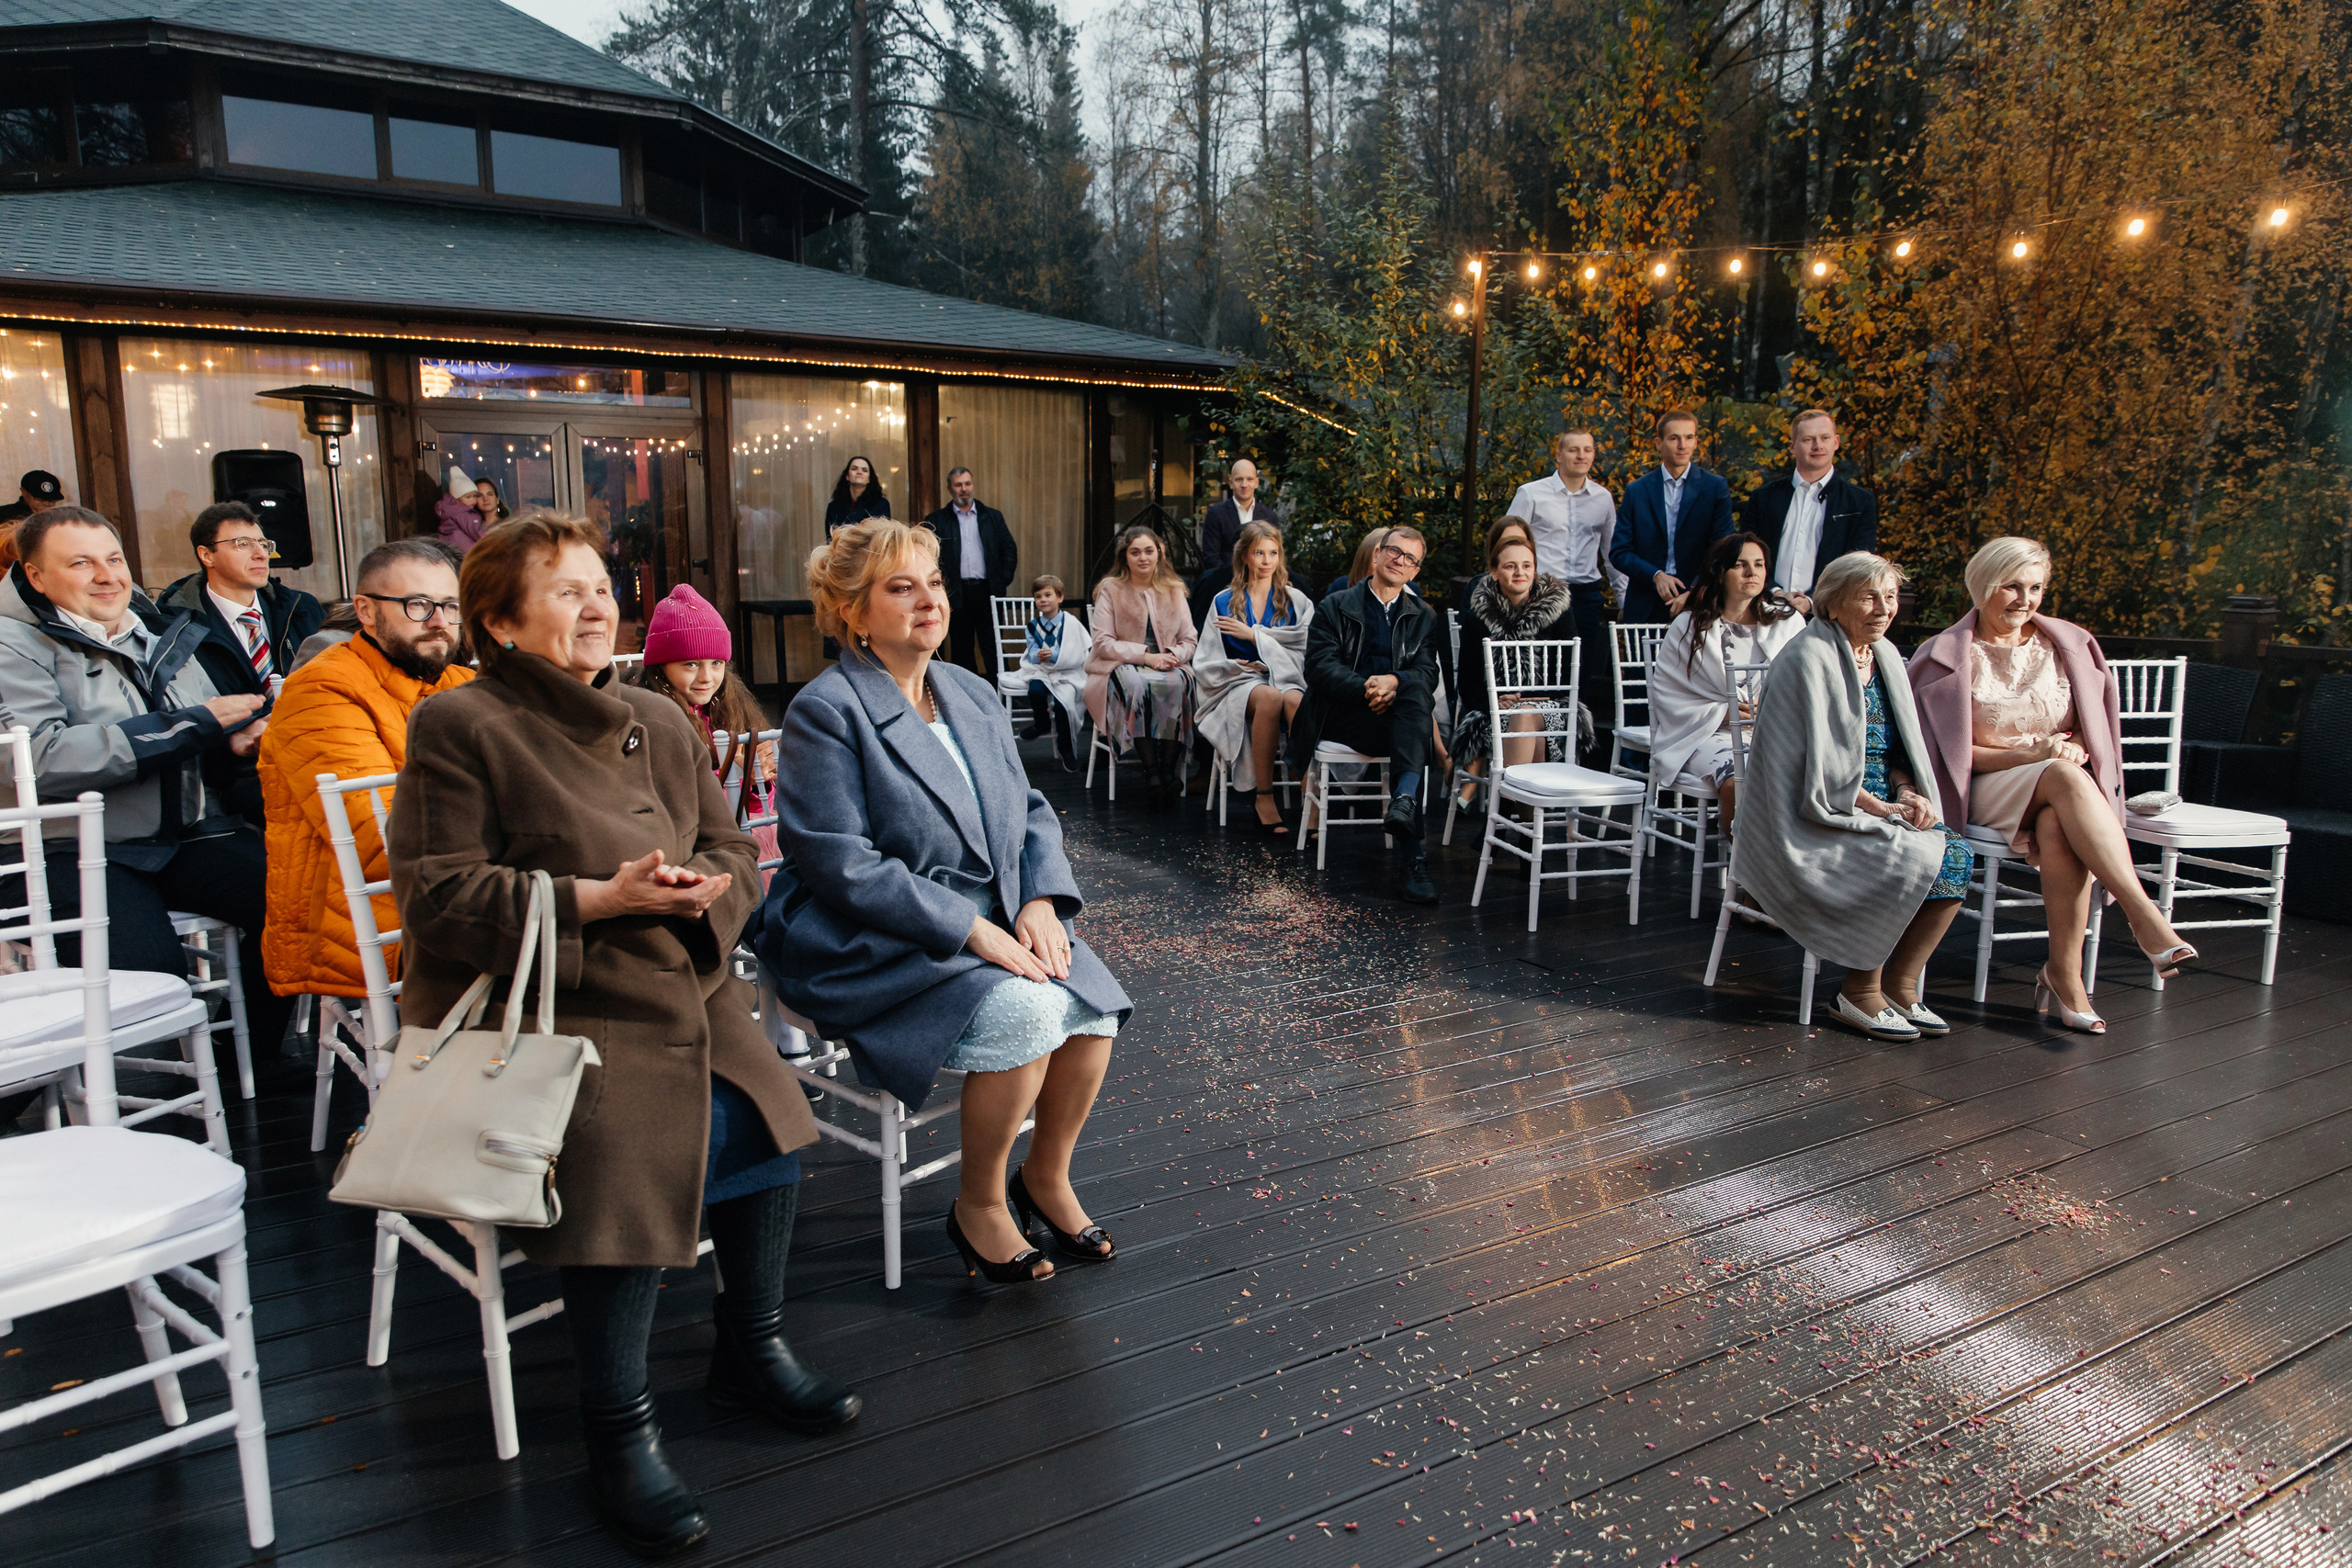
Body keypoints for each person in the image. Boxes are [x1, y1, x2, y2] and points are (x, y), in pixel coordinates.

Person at [387, 512, 852, 1560]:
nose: (598, 606)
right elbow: (438, 896)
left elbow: (734, 846)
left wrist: (702, 894)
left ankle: (752, 1346)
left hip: (682, 982)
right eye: (567, 590)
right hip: (554, 1006)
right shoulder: (462, 724)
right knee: (630, 1144)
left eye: (602, 586)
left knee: (767, 1109)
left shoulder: (655, 713)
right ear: (500, 621)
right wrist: (598, 898)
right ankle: (619, 1428)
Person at [756, 518, 1131, 1291]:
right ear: (854, 612)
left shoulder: (969, 690)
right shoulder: (827, 710)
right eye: (902, 588)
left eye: (933, 582)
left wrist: (1038, 899)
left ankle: (1045, 1176)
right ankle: (979, 1204)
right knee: (1030, 1015)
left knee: (1092, 1006)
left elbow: (1030, 810)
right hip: (872, 933)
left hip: (992, 911)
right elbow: (839, 862)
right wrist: (970, 928)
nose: (929, 600)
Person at [0, 506, 290, 1054]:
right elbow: (40, 758)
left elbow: (203, 716)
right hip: (69, 849)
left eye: (114, 560)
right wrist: (192, 726)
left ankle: (246, 1062)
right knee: (156, 977)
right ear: (35, 576)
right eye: (81, 564)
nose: (107, 576)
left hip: (179, 835)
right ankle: (101, 1091)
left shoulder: (151, 627)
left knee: (298, 903)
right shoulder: (9, 643)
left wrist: (238, 734)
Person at [1908, 536, 2197, 1031]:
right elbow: (1939, 755)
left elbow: (2092, 725)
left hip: (2056, 786)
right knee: (2061, 776)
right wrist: (2031, 755)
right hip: (1979, 786)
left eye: (2036, 587)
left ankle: (2064, 973)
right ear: (1982, 586)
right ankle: (2142, 914)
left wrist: (2077, 746)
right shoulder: (1941, 656)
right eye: (2011, 587)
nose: (2025, 600)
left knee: (2057, 822)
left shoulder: (2070, 644)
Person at [1736, 553, 1973, 1042]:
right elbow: (1805, 772)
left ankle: (1900, 985)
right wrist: (1881, 808)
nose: (1884, 609)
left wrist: (1907, 791)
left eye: (1890, 597)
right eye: (1869, 597)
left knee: (1957, 854)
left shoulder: (1884, 656)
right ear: (1833, 604)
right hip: (1814, 812)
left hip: (1884, 802)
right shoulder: (1806, 659)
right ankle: (1859, 992)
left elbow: (1900, 749)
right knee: (1904, 855)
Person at [256, 539, 472, 1006]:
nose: (439, 621)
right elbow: (383, 841)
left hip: (462, 894)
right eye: (418, 605)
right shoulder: (321, 688)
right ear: (366, 612)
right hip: (377, 923)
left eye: (451, 606)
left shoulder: (462, 683)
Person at [1289, 524, 1443, 905]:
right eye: (1394, 551)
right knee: (1414, 712)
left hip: (1396, 718)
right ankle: (1413, 854)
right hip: (1342, 717)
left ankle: (1403, 809)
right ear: (1377, 554)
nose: (1400, 561)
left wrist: (1395, 681)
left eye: (1410, 558)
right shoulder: (1335, 605)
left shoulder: (1424, 615)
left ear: (1415, 571)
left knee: (1414, 694)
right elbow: (1319, 667)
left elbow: (1427, 672)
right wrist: (1370, 689)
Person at [160, 502, 326, 823]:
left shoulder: (302, 608)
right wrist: (236, 734)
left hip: (313, 760)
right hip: (230, 781)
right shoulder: (173, 625)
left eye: (263, 544)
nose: (261, 554)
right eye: (242, 544)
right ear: (207, 555)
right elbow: (176, 712)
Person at [1645, 533, 1807, 831]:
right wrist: (1722, 713)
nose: (1752, 572)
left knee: (1810, 773)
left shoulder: (1788, 624)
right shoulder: (1689, 626)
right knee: (1739, 780)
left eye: (1759, 564)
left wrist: (1771, 708)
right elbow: (1668, 693)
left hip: (1774, 730)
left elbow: (1806, 685)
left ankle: (1790, 855)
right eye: (1740, 565)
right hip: (1704, 733)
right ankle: (1744, 858)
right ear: (1720, 573)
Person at [1449, 526, 1585, 815]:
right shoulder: (1478, 617)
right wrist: (1495, 702)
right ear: (1494, 572)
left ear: (1535, 569)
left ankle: (1499, 816)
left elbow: (1570, 674)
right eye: (1510, 566)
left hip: (1554, 709)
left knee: (1524, 716)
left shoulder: (1558, 608)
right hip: (1493, 714)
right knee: (1529, 732)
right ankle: (1525, 828)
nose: (1520, 572)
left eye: (1527, 565)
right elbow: (1468, 681)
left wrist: (1528, 699)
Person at [1193, 520, 1314, 835]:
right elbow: (1206, 660)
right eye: (1259, 553)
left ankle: (1312, 800)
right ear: (1244, 555)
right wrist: (1236, 665)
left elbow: (1307, 650)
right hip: (1239, 681)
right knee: (1270, 697)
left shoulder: (1295, 600)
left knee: (1295, 700)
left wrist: (1254, 636)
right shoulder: (1223, 601)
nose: (1266, 561)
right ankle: (1264, 797)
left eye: (1273, 553)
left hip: (1288, 677)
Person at [628, 584, 775, 823]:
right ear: (660, 667)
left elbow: (759, 811)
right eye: (691, 664)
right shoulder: (652, 720)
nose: (707, 677)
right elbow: (679, 806)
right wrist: (736, 775)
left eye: (716, 663)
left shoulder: (729, 707)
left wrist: (758, 778)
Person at [1504, 430, 1628, 703]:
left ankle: (1575, 727)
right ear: (1558, 455)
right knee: (1539, 667)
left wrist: (1623, 599)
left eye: (1587, 450)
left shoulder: (1603, 498)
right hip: (1541, 592)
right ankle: (1536, 727)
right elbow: (1508, 544)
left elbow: (1612, 554)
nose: (1581, 456)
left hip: (1586, 594)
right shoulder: (1531, 493)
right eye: (1574, 450)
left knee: (1580, 669)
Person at [1085, 525, 1199, 803]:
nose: (1143, 557)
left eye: (1149, 551)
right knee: (1137, 684)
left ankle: (1168, 770)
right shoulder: (1110, 589)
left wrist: (1171, 655)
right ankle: (1151, 770)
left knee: (1180, 683)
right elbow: (1102, 643)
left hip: (1167, 661)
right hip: (1121, 661)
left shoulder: (1174, 589)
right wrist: (1145, 657)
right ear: (1125, 557)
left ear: (1159, 554)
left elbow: (1189, 639)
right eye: (1135, 552)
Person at [1738, 409, 1879, 613]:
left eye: (1825, 438)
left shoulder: (1859, 502)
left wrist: (1812, 600)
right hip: (1763, 608)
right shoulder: (1764, 497)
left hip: (1827, 615)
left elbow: (1858, 565)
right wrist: (1775, 592)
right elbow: (1745, 553)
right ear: (1792, 446)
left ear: (1836, 442)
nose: (1817, 446)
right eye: (1808, 439)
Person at [1611, 409, 1735, 626]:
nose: (1682, 445)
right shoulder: (1637, 490)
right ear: (1658, 443)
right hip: (1645, 603)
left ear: (1696, 442)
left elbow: (1723, 548)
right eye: (1674, 438)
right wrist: (1656, 575)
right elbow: (1619, 551)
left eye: (1689, 437)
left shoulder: (1715, 487)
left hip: (1699, 601)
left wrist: (1695, 590)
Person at [922, 467, 1019, 679]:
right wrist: (939, 585)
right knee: (961, 649)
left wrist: (1002, 578)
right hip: (956, 593)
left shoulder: (992, 517)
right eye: (958, 485)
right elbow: (927, 556)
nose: (964, 489)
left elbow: (1009, 549)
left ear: (973, 485)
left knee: (993, 647)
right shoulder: (937, 520)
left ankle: (999, 693)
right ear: (950, 488)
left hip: (987, 591)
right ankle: (967, 694)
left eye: (967, 484)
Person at [1012, 573, 1091, 772]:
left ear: (1060, 597)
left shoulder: (1070, 623)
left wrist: (1055, 655)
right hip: (1042, 670)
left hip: (1067, 671)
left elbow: (1076, 651)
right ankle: (1042, 724)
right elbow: (1031, 652)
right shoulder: (1033, 626)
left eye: (1048, 595)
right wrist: (1037, 656)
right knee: (1035, 691)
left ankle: (1066, 748)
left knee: (1064, 705)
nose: (1043, 600)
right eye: (1038, 597)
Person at [0, 468, 67, 566]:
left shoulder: (60, 518)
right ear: (24, 492)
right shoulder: (4, 515)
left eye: (52, 501)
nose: (47, 504)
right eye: (40, 499)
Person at [823, 455, 891, 537]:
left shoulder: (881, 504)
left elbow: (883, 536)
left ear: (869, 479)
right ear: (847, 476)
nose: (859, 472)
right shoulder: (833, 507)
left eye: (864, 470)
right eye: (854, 469)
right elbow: (831, 538)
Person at [435, 466, 485, 553]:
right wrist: (489, 540)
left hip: (452, 550)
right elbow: (475, 531)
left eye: (474, 496)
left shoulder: (449, 512)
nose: (473, 500)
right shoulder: (462, 513)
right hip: (466, 551)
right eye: (468, 497)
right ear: (457, 499)